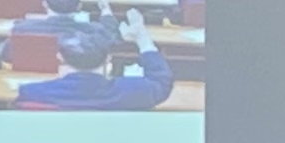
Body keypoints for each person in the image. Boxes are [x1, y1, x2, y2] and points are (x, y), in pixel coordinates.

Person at [13, 22, 172, 110]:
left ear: (59, 58)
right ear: (108, 59)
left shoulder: (31, 93)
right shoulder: (137, 91)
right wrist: (143, 40)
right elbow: (162, 82)